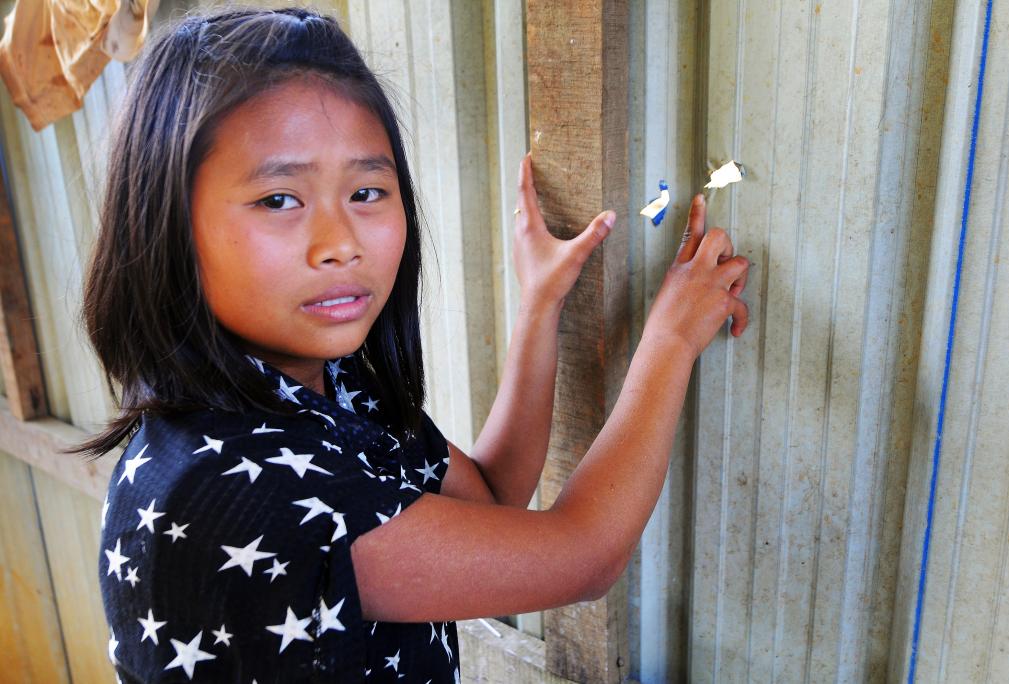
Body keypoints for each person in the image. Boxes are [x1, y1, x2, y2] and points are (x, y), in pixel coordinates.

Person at [82, 6, 749, 683]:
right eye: (280, 200)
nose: (341, 242)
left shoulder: (327, 390)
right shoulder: (237, 487)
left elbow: (488, 496)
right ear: (161, 223)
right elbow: (584, 558)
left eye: (368, 191)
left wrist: (542, 302)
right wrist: (668, 340)